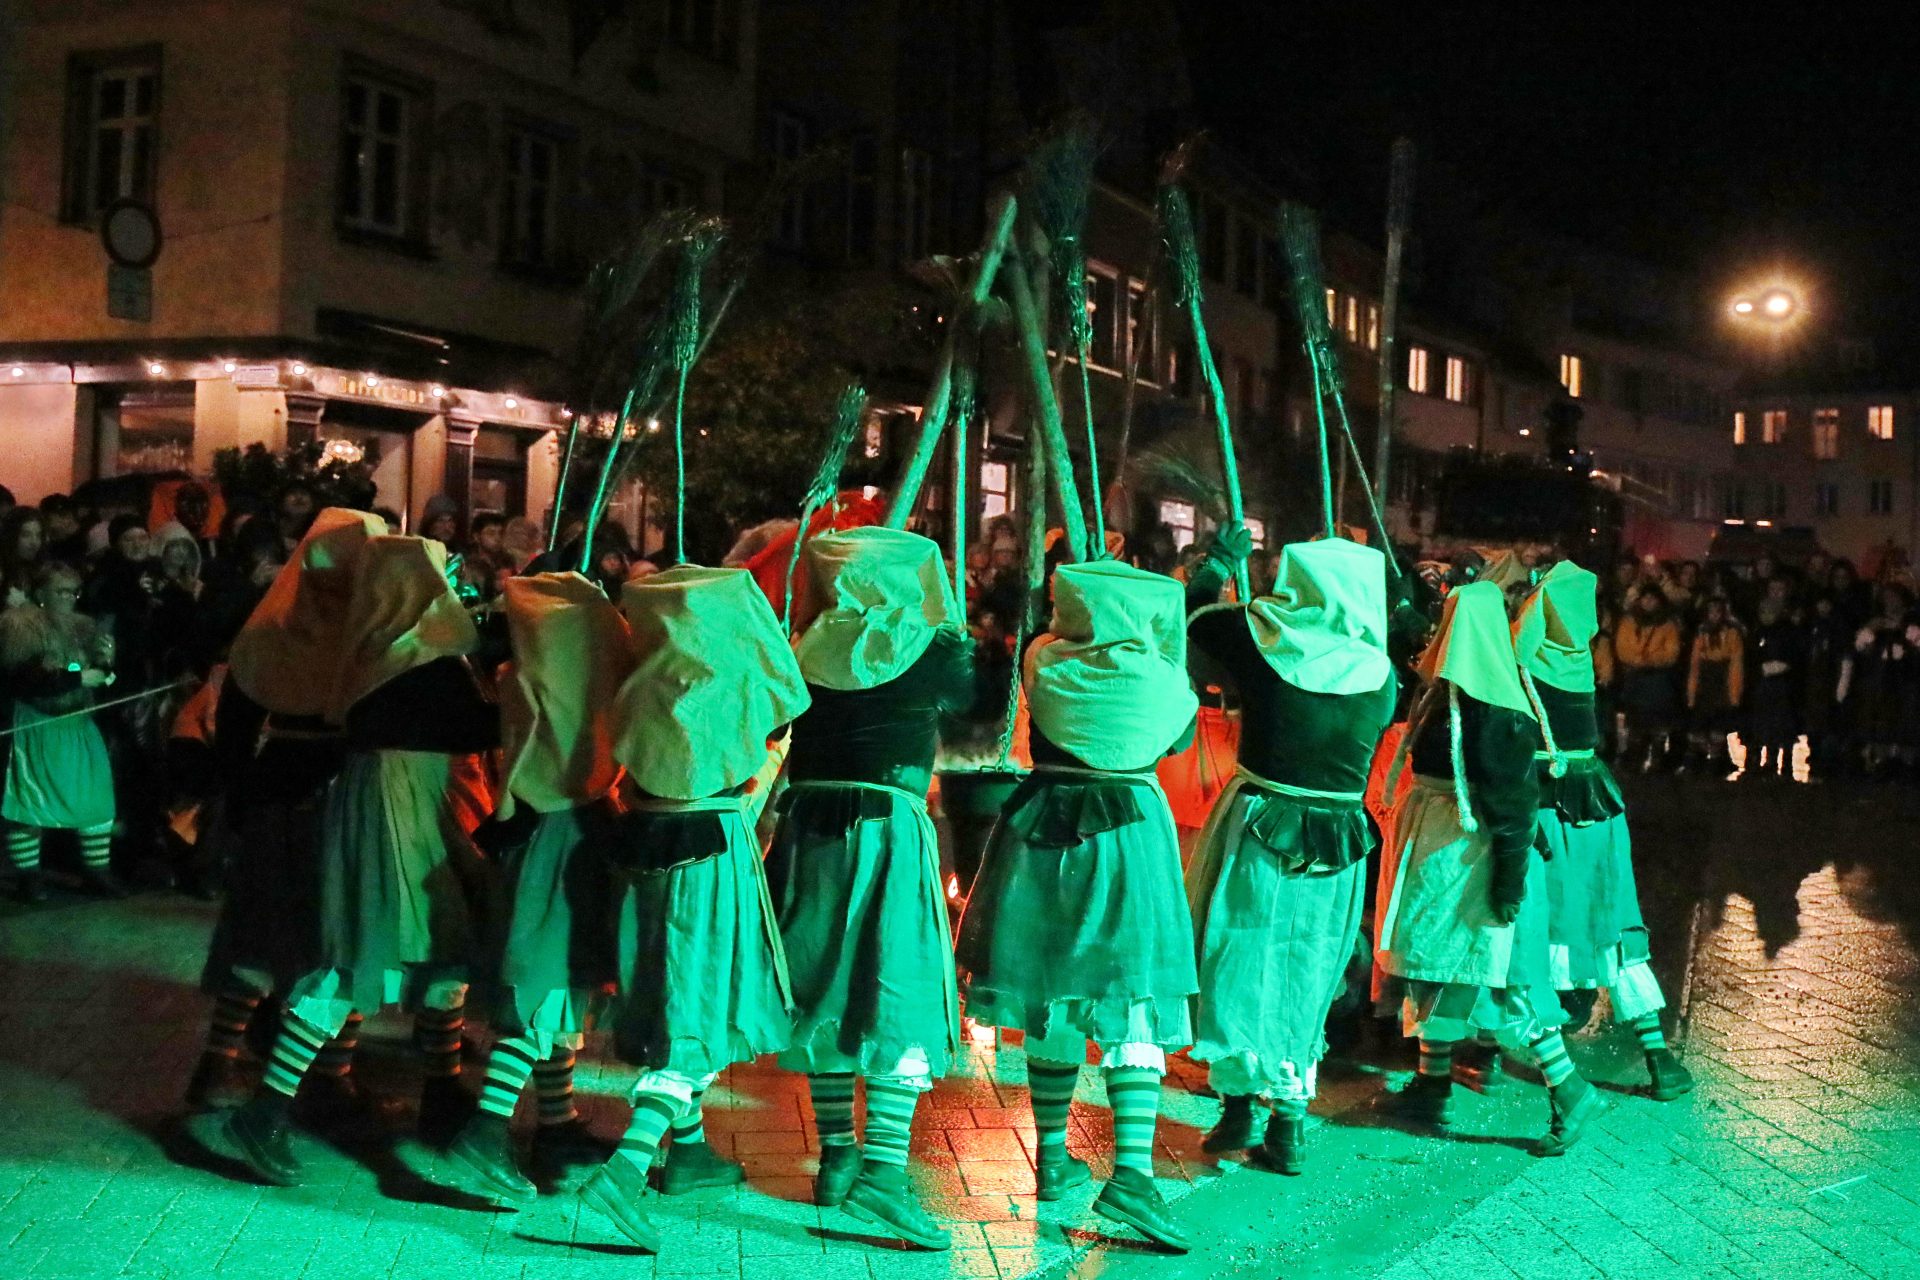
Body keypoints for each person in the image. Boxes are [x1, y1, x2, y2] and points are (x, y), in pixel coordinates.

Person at [218, 534, 493, 1187]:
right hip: (399, 814)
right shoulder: (413, 660)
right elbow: (473, 726)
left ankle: (441, 1088)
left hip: (399, 806)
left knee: (439, 956)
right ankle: (265, 1111)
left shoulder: (373, 652)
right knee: (357, 965)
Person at [956, 558, 1200, 1251]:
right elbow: (1179, 738)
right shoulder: (1161, 680)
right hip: (1127, 835)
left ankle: (1053, 1155)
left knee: (1050, 987)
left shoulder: (1044, 659)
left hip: (1040, 830)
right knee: (1131, 991)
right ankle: (1132, 1176)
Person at [575, 565, 809, 1252]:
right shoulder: (733, 682)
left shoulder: (638, 681)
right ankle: (623, 1171)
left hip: (645, 844)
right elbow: (785, 707)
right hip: (710, 854)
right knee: (701, 1012)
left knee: (674, 1000)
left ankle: (690, 1149)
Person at [766, 526, 973, 1250]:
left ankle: (837, 1157)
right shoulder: (935, 647)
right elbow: (971, 704)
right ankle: (882, 1173)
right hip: (888, 828)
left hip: (810, 829)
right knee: (899, 985)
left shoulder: (803, 644)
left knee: (822, 983)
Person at [1179, 533, 1397, 1176]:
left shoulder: (1262, 643)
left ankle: (1241, 1105)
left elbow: (1193, 621)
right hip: (1337, 842)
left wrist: (1220, 566)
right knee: (1306, 970)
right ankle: (1286, 1121)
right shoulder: (1382, 674)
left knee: (1238, 960)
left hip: (1260, 825)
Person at [1374, 581, 1605, 1156]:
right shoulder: (1446, 695)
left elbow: (1515, 805)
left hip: (1476, 865)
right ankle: (1431, 1086)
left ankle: (1572, 1092)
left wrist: (1508, 884)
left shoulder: (1497, 710)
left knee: (1508, 984)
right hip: (1443, 861)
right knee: (1435, 970)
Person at [435, 571, 631, 1204]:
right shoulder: (569, 686)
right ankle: (485, 1132)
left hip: (541, 832)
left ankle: (557, 1123)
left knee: (558, 988)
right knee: (545, 988)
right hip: (564, 838)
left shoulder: (519, 677)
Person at [185, 509, 387, 1111]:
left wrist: (242, 799)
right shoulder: (368, 633)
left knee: (270, 928)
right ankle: (322, 1074)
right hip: (339, 794)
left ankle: (228, 1065)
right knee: (338, 934)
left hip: (282, 786)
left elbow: (237, 726)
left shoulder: (274, 628)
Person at [1514, 562, 1693, 1102]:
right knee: (1612, 917)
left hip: (1548, 806)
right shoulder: (1578, 657)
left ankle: (1500, 1053)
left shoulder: (1525, 661)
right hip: (1598, 803)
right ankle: (1658, 1056)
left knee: (1541, 919)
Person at [1, 563, 119, 900]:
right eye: (61, 591)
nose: (68, 598)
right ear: (40, 593)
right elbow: (23, 680)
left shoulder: (85, 627)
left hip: (79, 724)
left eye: (73, 591)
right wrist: (76, 677)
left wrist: (107, 665)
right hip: (39, 725)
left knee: (96, 799)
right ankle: (29, 878)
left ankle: (97, 872)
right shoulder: (20, 626)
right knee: (30, 801)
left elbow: (105, 680)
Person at [1613, 586, 1682, 772]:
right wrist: (1636, 660)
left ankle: (1656, 759)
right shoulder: (1629, 621)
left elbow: (1672, 652)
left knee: (1658, 721)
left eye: (1653, 598)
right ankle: (1636, 757)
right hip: (1635, 678)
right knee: (1636, 721)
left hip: (1658, 679)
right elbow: (1622, 647)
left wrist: (1649, 661)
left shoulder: (1668, 624)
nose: (1649, 602)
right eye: (1646, 598)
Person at [1744, 596, 1804, 780]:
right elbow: (1751, 656)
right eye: (1763, 611)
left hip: (1783, 685)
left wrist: (1784, 666)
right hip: (1763, 684)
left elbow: (1796, 656)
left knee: (1783, 725)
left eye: (1770, 611)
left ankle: (1785, 763)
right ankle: (1767, 761)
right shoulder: (1757, 632)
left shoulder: (1788, 632)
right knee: (1765, 725)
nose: (1766, 615)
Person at [1685, 596, 1743, 775]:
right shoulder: (1701, 633)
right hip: (1705, 682)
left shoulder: (1732, 633)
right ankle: (1696, 759)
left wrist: (1734, 694)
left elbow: (1736, 665)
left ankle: (1716, 760)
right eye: (1711, 611)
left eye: (1718, 612)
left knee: (1718, 724)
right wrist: (1691, 693)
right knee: (1700, 724)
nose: (1714, 615)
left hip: (1721, 682)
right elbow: (1694, 665)